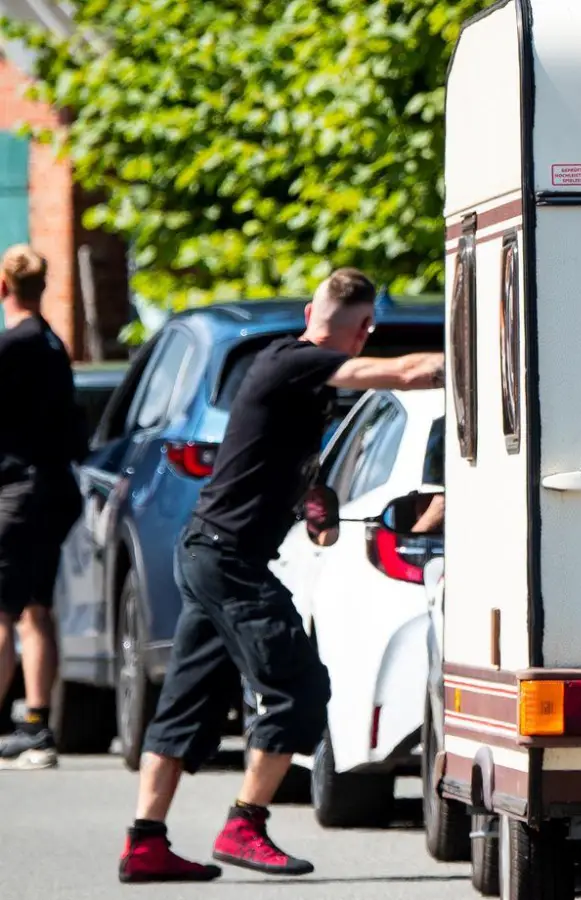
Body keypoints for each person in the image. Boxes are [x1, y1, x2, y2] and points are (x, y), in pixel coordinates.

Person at [118, 268, 446, 884]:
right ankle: (244, 823)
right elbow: (406, 373)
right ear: (364, 326)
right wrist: (482, 357)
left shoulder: (295, 377)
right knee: (299, 690)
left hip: (211, 553)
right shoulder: (296, 362)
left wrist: (313, 495)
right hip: (229, 560)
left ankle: (144, 842)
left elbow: (272, 454)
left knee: (187, 702)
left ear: (307, 310)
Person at [0, 245, 87, 771]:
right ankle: (35, 725)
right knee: (35, 608)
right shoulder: (52, 342)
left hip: (18, 491)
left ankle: (24, 726)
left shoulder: (15, 346)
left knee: (3, 611)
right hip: (53, 489)